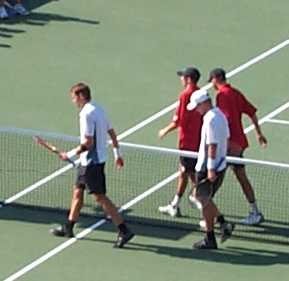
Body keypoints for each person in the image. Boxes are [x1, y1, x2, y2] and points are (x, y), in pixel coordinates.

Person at [51, 82, 134, 248]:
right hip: (89, 162)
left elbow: (88, 143)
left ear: (81, 96)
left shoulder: (86, 114)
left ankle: (124, 230)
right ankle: (69, 226)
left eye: (74, 97)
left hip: (91, 163)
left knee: (100, 197)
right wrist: (118, 154)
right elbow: (112, 132)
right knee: (78, 192)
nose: (73, 101)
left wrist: (69, 154)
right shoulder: (99, 109)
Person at [209, 68, 267, 225]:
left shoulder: (222, 95)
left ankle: (208, 211)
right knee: (240, 177)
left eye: (212, 80)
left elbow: (225, 121)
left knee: (215, 176)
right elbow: (252, 112)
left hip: (230, 146)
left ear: (216, 79)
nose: (212, 84)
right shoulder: (235, 93)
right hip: (239, 144)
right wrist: (258, 133)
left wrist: (224, 144)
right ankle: (255, 211)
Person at [187, 89, 234, 250]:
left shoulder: (210, 119)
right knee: (203, 198)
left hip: (209, 167)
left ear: (204, 103)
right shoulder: (220, 115)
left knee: (203, 200)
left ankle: (210, 238)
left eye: (198, 107)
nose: (197, 110)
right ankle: (223, 223)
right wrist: (220, 163)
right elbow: (226, 140)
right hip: (220, 165)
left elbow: (212, 145)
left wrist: (211, 169)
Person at [158, 67, 203, 217]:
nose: (181, 79)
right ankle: (175, 204)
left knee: (191, 177)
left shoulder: (185, 95)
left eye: (183, 76)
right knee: (183, 173)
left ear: (188, 79)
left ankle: (212, 214)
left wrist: (165, 130)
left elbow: (180, 120)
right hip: (198, 142)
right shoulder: (201, 93)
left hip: (187, 144)